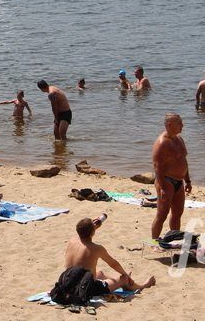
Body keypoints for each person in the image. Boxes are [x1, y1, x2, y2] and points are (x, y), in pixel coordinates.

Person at [64, 217, 156, 294]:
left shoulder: (72, 240)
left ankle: (120, 282)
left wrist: (92, 228)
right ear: (92, 232)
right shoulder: (96, 248)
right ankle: (140, 286)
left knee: (100, 274)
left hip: (67, 283)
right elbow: (113, 264)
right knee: (123, 278)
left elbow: (84, 233)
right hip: (85, 289)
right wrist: (125, 275)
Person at [151, 113, 191, 241]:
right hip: (166, 181)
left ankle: (174, 239)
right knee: (162, 214)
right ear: (169, 125)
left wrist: (188, 180)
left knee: (177, 213)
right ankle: (154, 241)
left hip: (179, 181)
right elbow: (157, 167)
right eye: (179, 123)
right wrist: (162, 187)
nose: (182, 125)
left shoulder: (179, 139)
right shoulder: (162, 143)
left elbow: (184, 162)